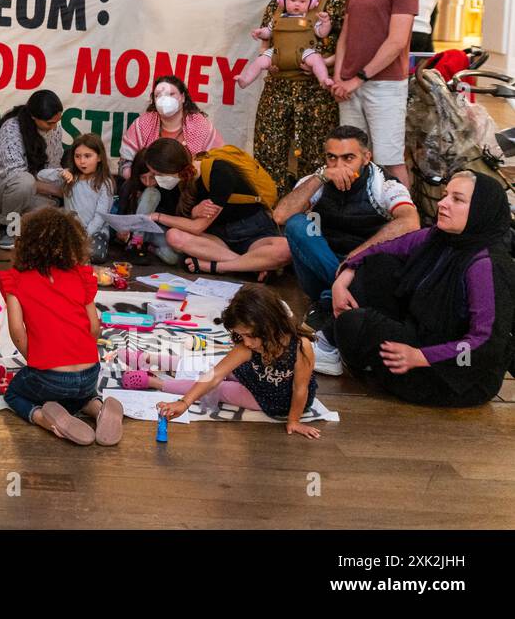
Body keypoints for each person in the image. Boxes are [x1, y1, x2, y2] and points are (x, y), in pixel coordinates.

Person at [330, 172, 514, 407]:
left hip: (461, 376)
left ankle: (373, 362)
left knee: (352, 325)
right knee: (377, 266)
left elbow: (485, 343)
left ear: (481, 209)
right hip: (424, 336)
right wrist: (342, 278)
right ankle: (370, 359)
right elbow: (380, 249)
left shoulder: (486, 264)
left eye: (457, 199)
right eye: (445, 195)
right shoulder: (439, 237)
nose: (442, 204)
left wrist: (421, 356)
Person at [274, 125, 419, 374]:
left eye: (348, 158)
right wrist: (320, 178)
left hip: (360, 273)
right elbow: (281, 215)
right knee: (298, 225)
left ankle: (330, 303)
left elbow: (410, 222)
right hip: (324, 268)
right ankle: (332, 296)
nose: (339, 165)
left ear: (366, 157)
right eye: (332, 157)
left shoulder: (384, 184)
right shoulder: (319, 179)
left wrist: (356, 257)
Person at [0, 207, 123, 446]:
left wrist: (36, 359)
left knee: (14, 393)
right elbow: (94, 327)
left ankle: (46, 419)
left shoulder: (16, 279)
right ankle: (96, 408)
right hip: (89, 373)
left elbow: (16, 331)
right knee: (79, 393)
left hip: (49, 376)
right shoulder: (80, 275)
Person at [133, 285, 321, 438]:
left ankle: (155, 382)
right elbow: (215, 374)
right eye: (241, 335)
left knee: (221, 390)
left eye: (249, 335)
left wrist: (294, 421)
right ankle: (151, 359)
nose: (245, 342)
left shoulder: (300, 347)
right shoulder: (250, 345)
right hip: (253, 374)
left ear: (269, 325)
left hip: (272, 398)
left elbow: (300, 389)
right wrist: (185, 402)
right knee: (208, 367)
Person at [332, 0, 417, 187]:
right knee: (350, 156)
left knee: (389, 159)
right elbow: (347, 32)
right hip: (350, 84)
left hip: (384, 84)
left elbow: (396, 41)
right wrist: (338, 76)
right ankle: (361, 213)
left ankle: (406, 221)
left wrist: (358, 78)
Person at [248, 0, 346, 192]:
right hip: (278, 89)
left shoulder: (333, 3)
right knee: (269, 152)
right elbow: (265, 43)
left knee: (316, 154)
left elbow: (348, 42)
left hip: (316, 92)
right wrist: (268, 61)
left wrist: (325, 63)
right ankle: (272, 209)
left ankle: (312, 207)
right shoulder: (275, 6)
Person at [144, 138, 291, 277]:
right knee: (173, 236)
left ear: (171, 168)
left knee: (285, 248)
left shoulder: (219, 171)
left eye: (158, 174)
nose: (157, 179)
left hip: (253, 234)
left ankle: (216, 267)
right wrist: (194, 212)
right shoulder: (178, 181)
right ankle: (250, 267)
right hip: (219, 241)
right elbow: (186, 222)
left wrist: (158, 216)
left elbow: (196, 227)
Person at [0, 89, 65, 250]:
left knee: (62, 212)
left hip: (37, 195)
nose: (54, 126)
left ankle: (27, 229)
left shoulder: (55, 129)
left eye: (57, 121)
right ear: (33, 117)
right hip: (5, 199)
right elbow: (15, 175)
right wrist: (58, 192)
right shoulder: (11, 128)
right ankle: (8, 228)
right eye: (50, 123)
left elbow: (53, 169)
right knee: (24, 181)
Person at [236, 0, 335, 89]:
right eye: (293, 0)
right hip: (277, 53)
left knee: (317, 59)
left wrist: (326, 23)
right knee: (260, 61)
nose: (297, 4)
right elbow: (268, 32)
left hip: (303, 53)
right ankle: (245, 80)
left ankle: (324, 80)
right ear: (283, 0)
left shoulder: (312, 19)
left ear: (311, 3)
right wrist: (260, 32)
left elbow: (322, 33)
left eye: (302, 2)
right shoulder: (277, 18)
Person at [117, 75, 223, 180]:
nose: (165, 100)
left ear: (183, 97)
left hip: (191, 189)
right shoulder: (142, 124)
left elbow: (219, 162)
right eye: (158, 95)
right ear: (154, 99)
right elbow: (124, 163)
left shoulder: (200, 125)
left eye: (171, 94)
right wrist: (142, 180)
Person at [39, 134, 115, 263]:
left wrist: (84, 235)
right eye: (77, 156)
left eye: (87, 156)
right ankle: (71, 253)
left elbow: (100, 216)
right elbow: (41, 175)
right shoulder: (70, 177)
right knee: (46, 245)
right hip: (70, 229)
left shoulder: (105, 183)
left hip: (95, 232)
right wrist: (61, 173)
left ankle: (71, 253)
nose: (82, 161)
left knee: (96, 254)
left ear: (99, 157)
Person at [116, 147, 181, 265]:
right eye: (143, 178)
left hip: (154, 231)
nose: (147, 182)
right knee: (152, 192)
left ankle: (148, 247)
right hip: (135, 231)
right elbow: (121, 214)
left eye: (152, 177)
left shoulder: (168, 187)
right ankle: (136, 244)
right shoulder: (129, 186)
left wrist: (155, 214)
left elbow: (173, 215)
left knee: (173, 258)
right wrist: (122, 230)